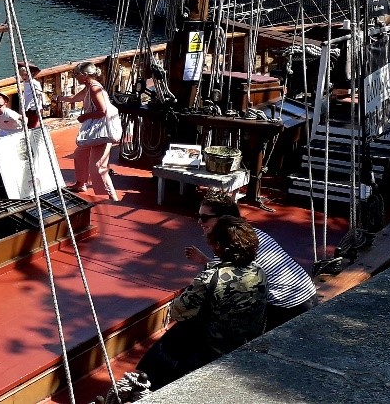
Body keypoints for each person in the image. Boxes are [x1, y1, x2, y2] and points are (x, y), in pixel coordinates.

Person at [132, 215, 266, 391]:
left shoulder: (210, 278)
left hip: (214, 347)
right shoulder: (258, 270)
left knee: (158, 358)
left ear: (217, 245)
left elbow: (178, 311)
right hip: (245, 339)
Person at [186, 193, 317, 331]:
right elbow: (235, 269)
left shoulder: (227, 245)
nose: (199, 222)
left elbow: (222, 279)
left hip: (287, 306)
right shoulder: (252, 233)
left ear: (223, 219)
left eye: (204, 218)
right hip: (308, 294)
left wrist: (204, 263)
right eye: (199, 216)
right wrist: (206, 261)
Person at [58, 62, 120, 200]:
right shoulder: (89, 87)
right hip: (95, 130)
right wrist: (59, 98)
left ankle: (112, 196)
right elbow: (75, 98)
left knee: (98, 166)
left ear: (85, 75)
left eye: (76, 74)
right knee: (80, 154)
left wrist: (83, 117)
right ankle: (81, 183)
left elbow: (102, 111)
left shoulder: (93, 89)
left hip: (101, 131)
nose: (75, 77)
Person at [17, 62, 46, 129]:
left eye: (26, 75)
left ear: (31, 74)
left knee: (33, 124)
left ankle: (36, 134)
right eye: (22, 75)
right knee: (28, 123)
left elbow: (41, 93)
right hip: (28, 106)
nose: (24, 77)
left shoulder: (34, 83)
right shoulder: (25, 82)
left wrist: (44, 104)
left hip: (35, 107)